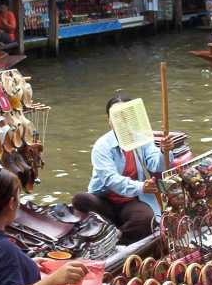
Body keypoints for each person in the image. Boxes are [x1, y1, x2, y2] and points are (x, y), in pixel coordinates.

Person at [72, 94, 174, 244]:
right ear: (109, 121)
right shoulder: (102, 146)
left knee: (146, 219)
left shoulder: (142, 139)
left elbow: (156, 165)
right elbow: (110, 180)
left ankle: (117, 240)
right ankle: (111, 229)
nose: (121, 121)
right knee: (80, 199)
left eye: (125, 116)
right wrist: (141, 186)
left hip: (130, 201)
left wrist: (164, 151)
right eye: (116, 117)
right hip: (105, 199)